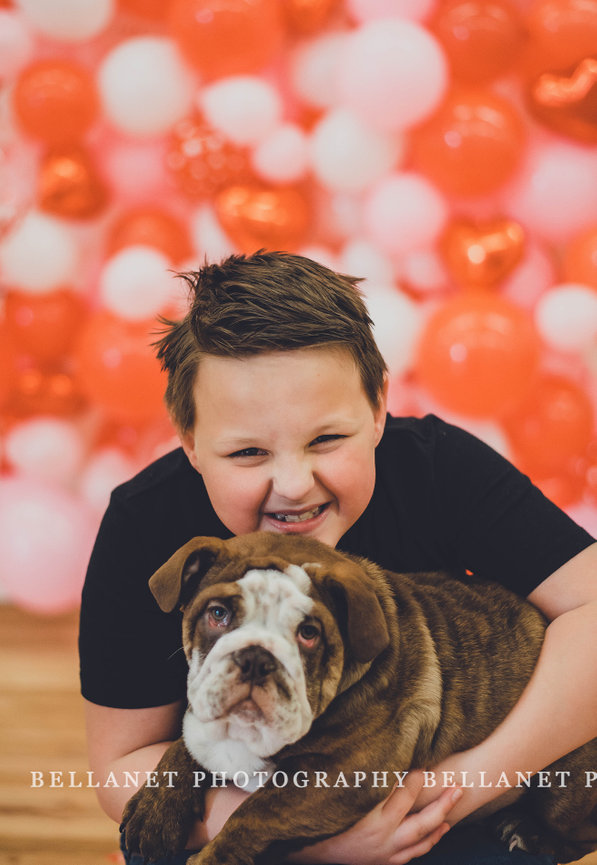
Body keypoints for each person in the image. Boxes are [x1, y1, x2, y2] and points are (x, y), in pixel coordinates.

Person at [79, 250, 597, 865]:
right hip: (234, 799)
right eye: (247, 453)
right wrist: (309, 842)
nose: (295, 482)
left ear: (378, 408)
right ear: (190, 441)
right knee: (150, 834)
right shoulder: (145, 524)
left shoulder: (438, 468)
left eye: (326, 439)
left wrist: (462, 784)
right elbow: (118, 767)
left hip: (452, 796)